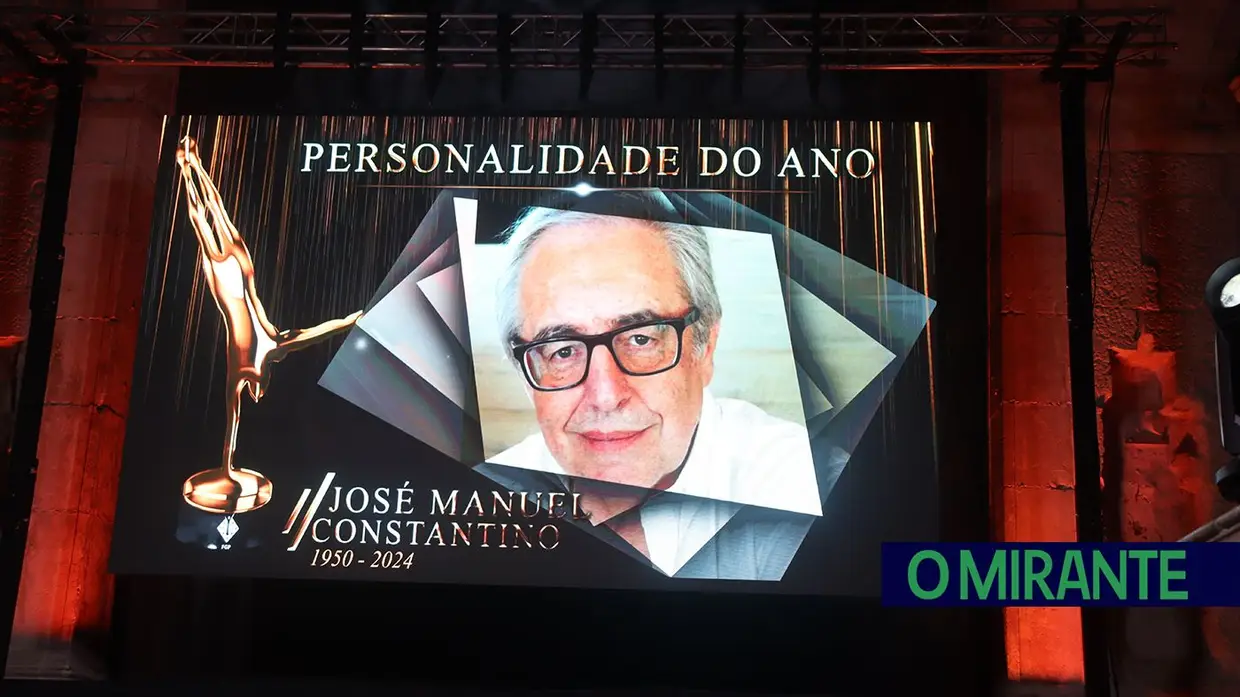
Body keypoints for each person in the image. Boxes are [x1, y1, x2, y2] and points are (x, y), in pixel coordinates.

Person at [485, 206, 823, 540]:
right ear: (525, 373)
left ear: (705, 347)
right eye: (562, 351)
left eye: (641, 339)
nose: (605, 397)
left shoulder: (801, 481)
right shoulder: (487, 497)